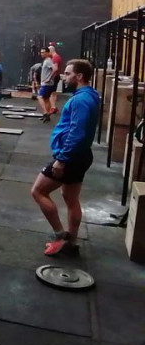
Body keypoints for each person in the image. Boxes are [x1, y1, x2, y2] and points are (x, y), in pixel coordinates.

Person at [31, 59, 99, 256]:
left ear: (79, 76)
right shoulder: (91, 95)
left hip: (71, 157)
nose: (64, 77)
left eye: (68, 74)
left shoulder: (80, 100)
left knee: (38, 191)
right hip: (81, 155)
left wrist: (62, 159)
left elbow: (77, 132)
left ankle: (61, 236)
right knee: (71, 199)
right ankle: (72, 243)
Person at [38, 48, 57, 122]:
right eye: (41, 52)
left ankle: (45, 113)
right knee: (46, 99)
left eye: (43, 52)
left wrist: (49, 78)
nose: (42, 54)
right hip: (47, 84)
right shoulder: (47, 61)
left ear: (48, 53)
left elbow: (55, 69)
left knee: (39, 97)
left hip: (47, 84)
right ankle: (47, 115)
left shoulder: (48, 61)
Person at [49, 45, 63, 115]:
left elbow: (55, 68)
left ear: (51, 51)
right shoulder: (57, 56)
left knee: (51, 93)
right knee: (53, 93)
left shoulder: (55, 57)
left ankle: (53, 107)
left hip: (54, 77)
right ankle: (53, 107)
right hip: (56, 76)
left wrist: (50, 77)